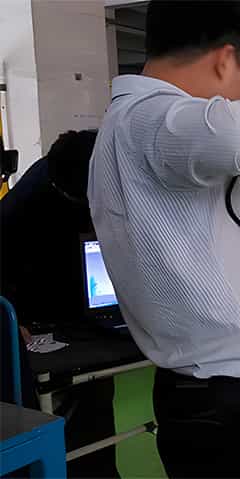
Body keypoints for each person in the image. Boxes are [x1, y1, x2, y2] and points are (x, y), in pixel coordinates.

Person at [88, 1, 240, 477]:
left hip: (212, 396)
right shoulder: (155, 118)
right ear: (225, 60)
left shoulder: (127, 128)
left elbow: (193, 220)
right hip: (234, 405)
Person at [0, 130, 121, 478]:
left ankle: (99, 469)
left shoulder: (90, 166)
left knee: (96, 398)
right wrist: (13, 319)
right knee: (60, 408)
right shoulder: (25, 206)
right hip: (37, 312)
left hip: (80, 308)